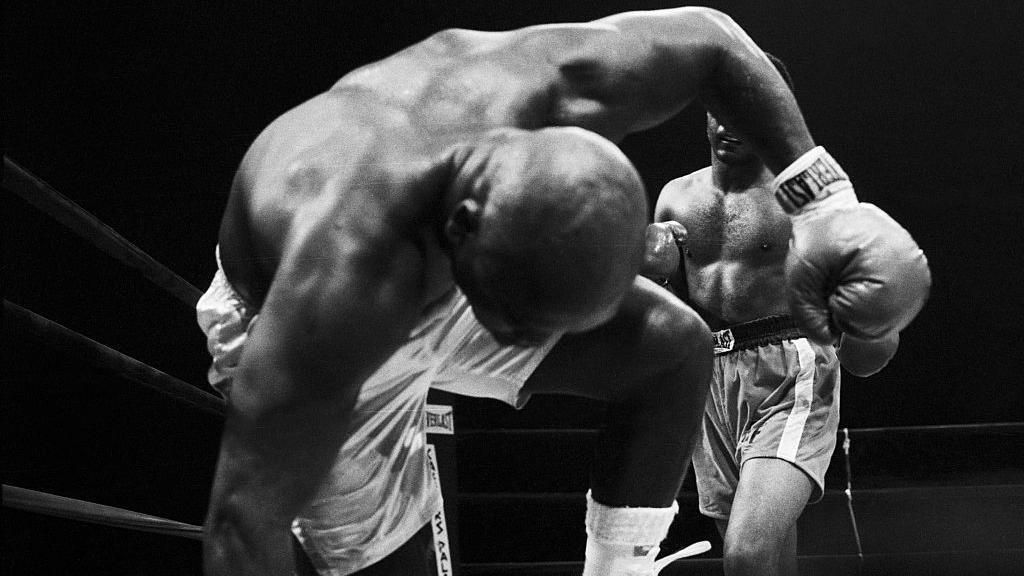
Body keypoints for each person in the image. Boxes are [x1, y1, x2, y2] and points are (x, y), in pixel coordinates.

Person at [197, 8, 931, 576]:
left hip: (465, 255)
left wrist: (827, 205)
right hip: (334, 342)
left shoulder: (546, 77)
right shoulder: (335, 296)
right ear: (460, 233)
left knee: (672, 347)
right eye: (519, 325)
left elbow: (713, 40)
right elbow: (241, 527)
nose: (522, 351)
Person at [647, 54, 912, 576]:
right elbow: (662, 316)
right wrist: (648, 270)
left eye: (743, 110)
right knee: (759, 562)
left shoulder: (811, 199)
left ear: (772, 112)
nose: (727, 124)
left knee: (747, 554)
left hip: (791, 373)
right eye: (718, 109)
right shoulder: (675, 198)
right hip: (710, 380)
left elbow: (869, 350)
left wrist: (870, 323)